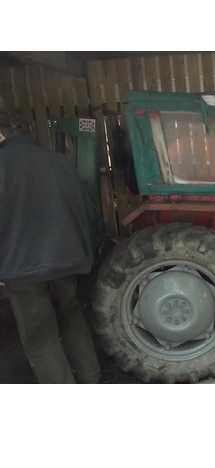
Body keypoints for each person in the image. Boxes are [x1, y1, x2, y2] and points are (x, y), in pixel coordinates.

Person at [0, 109, 101, 384]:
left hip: (23, 270)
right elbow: (88, 213)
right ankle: (91, 382)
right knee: (71, 318)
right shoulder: (59, 162)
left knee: (41, 339)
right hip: (66, 263)